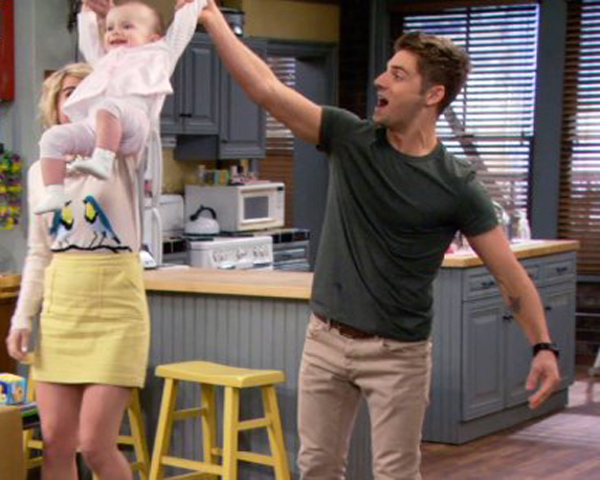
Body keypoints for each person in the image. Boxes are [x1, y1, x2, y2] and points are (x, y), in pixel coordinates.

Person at [196, 2, 562, 479]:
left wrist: (543, 347)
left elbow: (510, 278)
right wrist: (212, 17)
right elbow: (266, 89)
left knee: (395, 473)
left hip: (399, 355)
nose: (380, 82)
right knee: (317, 467)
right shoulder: (350, 139)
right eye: (386, 71)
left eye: (397, 75)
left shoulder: (456, 184)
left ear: (433, 94)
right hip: (326, 339)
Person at [34, 0, 205, 214]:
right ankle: (55, 192)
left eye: (127, 26)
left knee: (109, 106)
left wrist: (193, 5)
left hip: (133, 128)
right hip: (100, 131)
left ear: (154, 38)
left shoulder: (160, 55)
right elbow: (88, 43)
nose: (115, 32)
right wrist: (87, 13)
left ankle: (103, 161)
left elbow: (181, 31)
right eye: (109, 28)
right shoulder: (105, 61)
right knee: (52, 137)